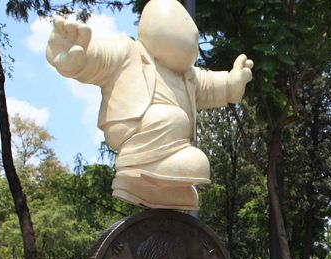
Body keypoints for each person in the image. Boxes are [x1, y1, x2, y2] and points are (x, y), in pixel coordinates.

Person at [45, 0, 253, 210]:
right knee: (176, 118)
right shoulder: (130, 52)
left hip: (171, 139)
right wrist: (78, 58)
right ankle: (133, 165)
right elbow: (101, 58)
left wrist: (230, 84)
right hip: (134, 127)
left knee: (198, 161)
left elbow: (209, 85)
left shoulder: (188, 75)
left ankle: (165, 185)